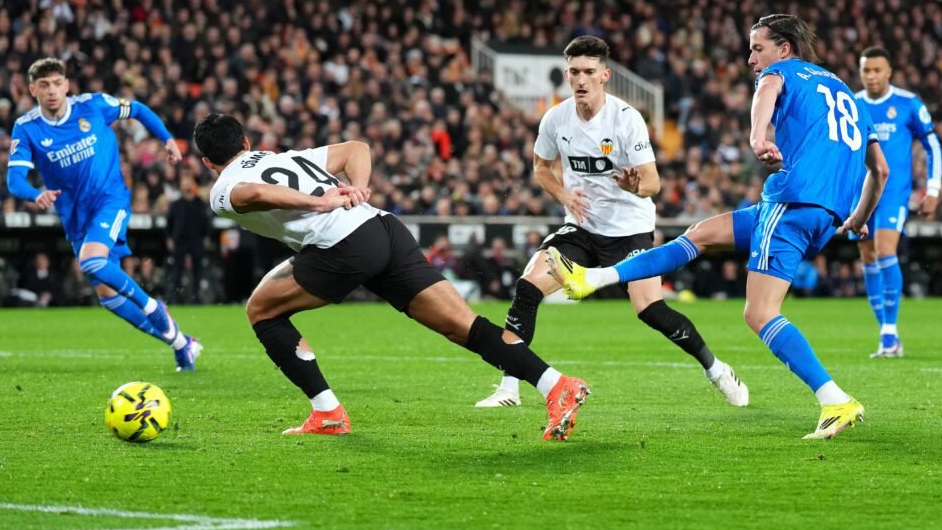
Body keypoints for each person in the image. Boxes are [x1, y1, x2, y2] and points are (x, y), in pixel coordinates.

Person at [549, 15, 890, 439]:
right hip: (826, 212)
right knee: (701, 234)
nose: (751, 59)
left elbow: (766, 90)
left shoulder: (780, 71)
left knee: (759, 312)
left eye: (757, 48)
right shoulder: (848, 94)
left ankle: (834, 398)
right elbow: (881, 169)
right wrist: (857, 219)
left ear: (784, 49)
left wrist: (756, 135)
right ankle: (593, 278)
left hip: (793, 200)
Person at [192, 113, 589, 440]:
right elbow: (355, 149)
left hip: (343, 246)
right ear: (246, 142)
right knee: (464, 327)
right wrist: (358, 190)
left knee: (261, 310)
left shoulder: (222, 187)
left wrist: (319, 202)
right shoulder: (287, 157)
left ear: (208, 162)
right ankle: (555, 384)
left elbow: (253, 195)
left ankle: (327, 413)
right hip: (384, 229)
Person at [475, 35, 749, 409]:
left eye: (589, 72)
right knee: (527, 288)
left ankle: (716, 369)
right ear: (566, 75)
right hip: (582, 228)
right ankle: (509, 387)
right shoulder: (556, 118)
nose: (581, 80)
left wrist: (636, 186)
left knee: (650, 310)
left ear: (605, 75)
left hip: (629, 230)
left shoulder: (625, 120)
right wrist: (564, 195)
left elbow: (654, 182)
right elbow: (541, 167)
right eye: (574, 72)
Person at [6, 57, 201, 370]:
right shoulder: (27, 128)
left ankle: (153, 306)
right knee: (106, 293)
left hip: (110, 200)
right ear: (33, 90)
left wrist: (167, 139)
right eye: (44, 85)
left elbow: (137, 109)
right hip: (75, 216)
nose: (52, 90)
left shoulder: (93, 106)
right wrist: (34, 193)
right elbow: (14, 179)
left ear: (67, 85)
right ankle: (182, 343)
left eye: (57, 83)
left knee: (91, 260)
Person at [851, 47, 942, 357]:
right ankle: (887, 333)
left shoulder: (908, 103)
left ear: (889, 72)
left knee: (885, 250)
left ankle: (889, 335)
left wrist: (933, 189)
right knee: (868, 258)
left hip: (894, 193)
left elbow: (933, 145)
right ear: (861, 73)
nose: (872, 76)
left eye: (878, 70)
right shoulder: (852, 104)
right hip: (859, 195)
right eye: (867, 71)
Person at [166, 171, 212, 303]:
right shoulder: (176, 204)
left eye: (189, 181)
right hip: (180, 240)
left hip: (196, 239)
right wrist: (169, 238)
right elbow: (169, 223)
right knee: (177, 271)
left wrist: (205, 236)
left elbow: (206, 223)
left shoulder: (200, 203)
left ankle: (196, 297)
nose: (186, 184)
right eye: (184, 181)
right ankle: (174, 297)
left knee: (198, 271)